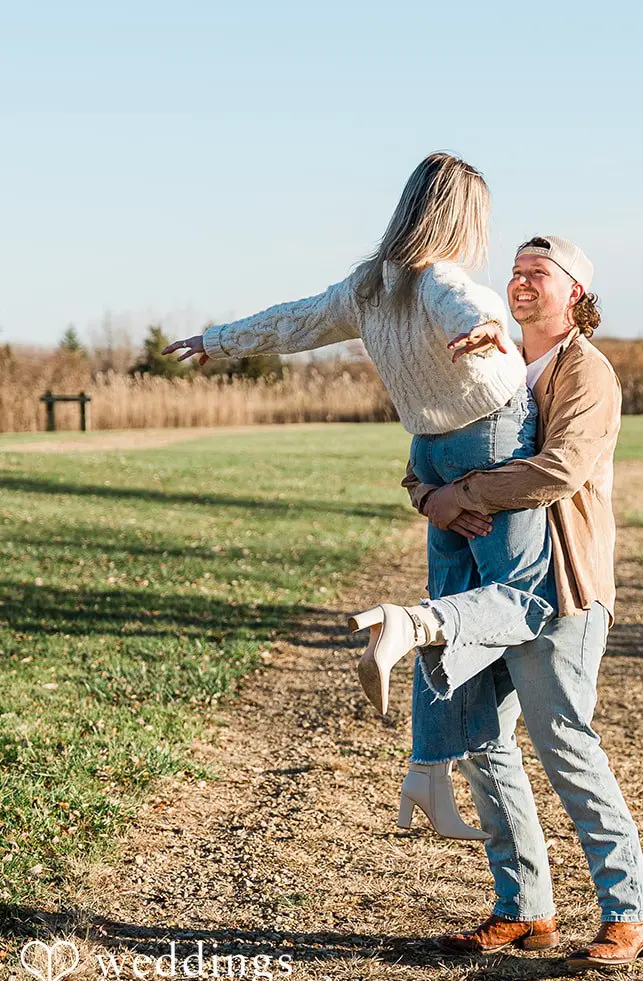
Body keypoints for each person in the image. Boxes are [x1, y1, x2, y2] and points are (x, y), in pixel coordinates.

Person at [163, 153, 555, 841]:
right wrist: (490, 329)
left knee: (450, 610)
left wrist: (217, 340)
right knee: (522, 601)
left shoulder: (368, 286)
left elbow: (295, 321)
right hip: (490, 445)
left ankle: (428, 769)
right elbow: (459, 302)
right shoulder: (440, 281)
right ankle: (404, 633)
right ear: (462, 218)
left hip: (432, 452)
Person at [407, 236, 643, 971]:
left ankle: (630, 911)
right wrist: (433, 496)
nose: (520, 283)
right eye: (514, 272)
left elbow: (560, 469)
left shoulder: (588, 372)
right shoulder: (493, 366)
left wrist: (466, 495)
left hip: (564, 593)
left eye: (538, 274)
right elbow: (427, 464)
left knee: (565, 743)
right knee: (483, 740)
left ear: (576, 293)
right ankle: (524, 908)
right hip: (486, 592)